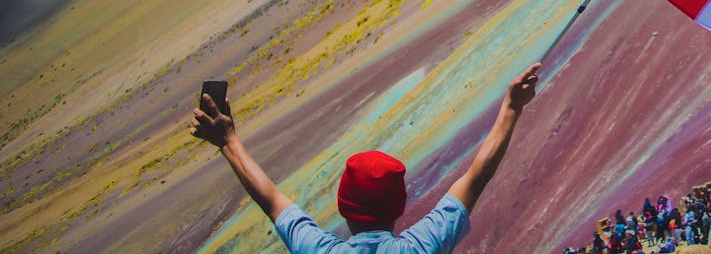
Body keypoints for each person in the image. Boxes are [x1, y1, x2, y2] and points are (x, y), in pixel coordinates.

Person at [189, 63, 541, 253]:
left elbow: (271, 199)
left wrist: (229, 142)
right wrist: (510, 108)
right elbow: (476, 177)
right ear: (399, 206)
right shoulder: (422, 246)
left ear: (343, 206)